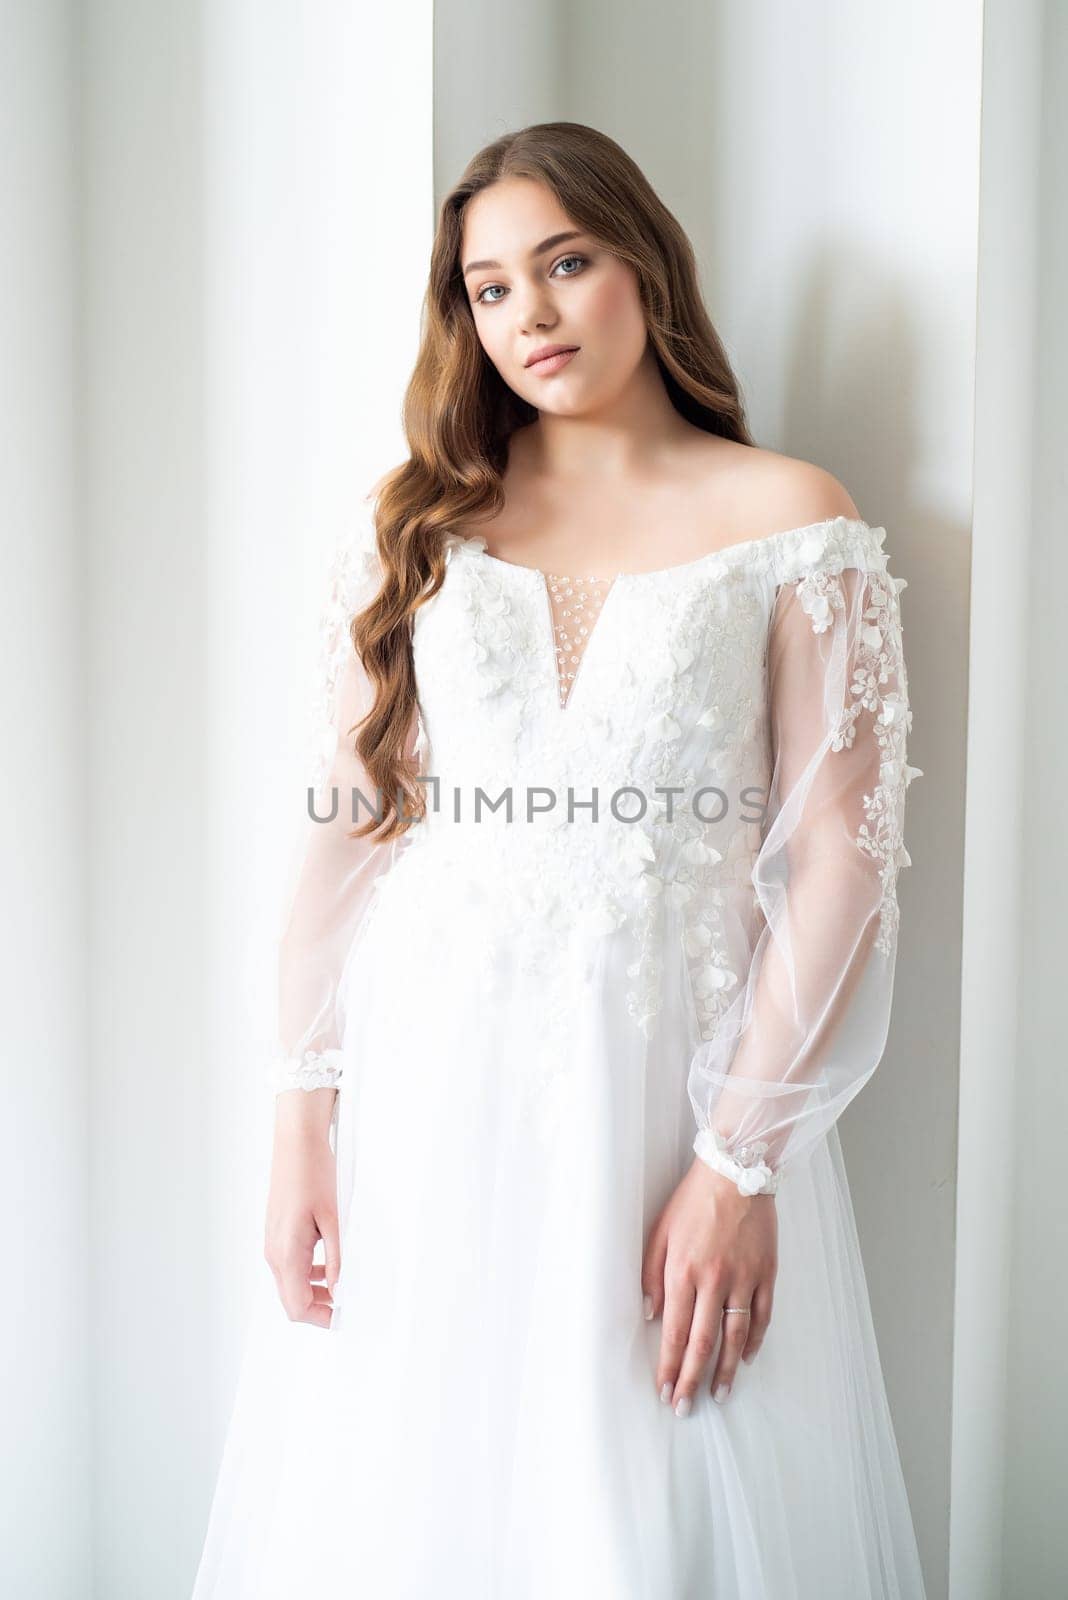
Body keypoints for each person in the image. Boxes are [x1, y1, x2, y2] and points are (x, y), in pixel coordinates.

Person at [191, 120, 927, 1598]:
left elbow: (842, 865)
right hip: (429, 1095)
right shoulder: (423, 524)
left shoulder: (794, 521)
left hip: (666, 1093)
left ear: (642, 263)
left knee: (649, 1487)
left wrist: (736, 1162)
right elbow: (342, 837)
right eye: (488, 288)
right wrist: (299, 1117)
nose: (528, 313)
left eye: (564, 263)